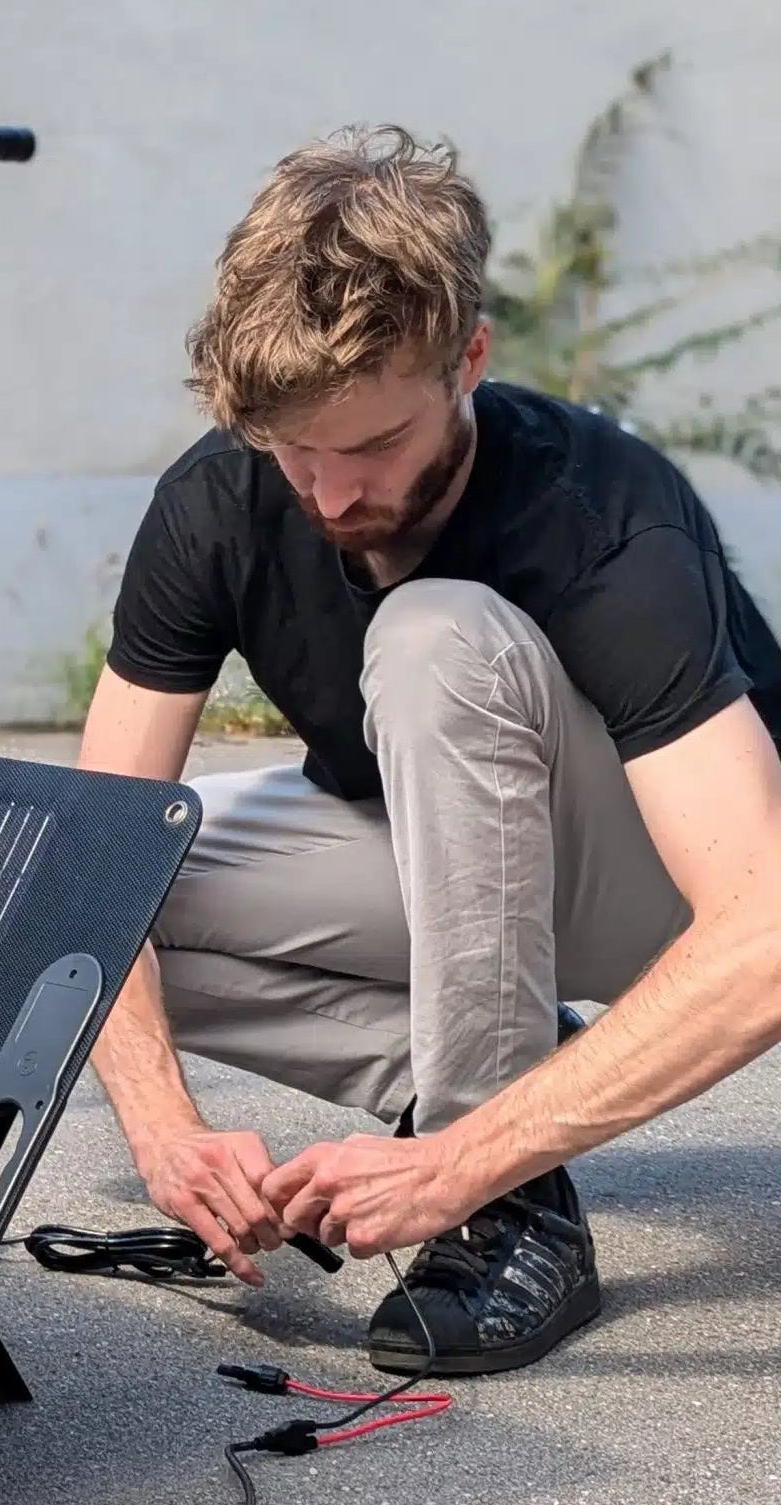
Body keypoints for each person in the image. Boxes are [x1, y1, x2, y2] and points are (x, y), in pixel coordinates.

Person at [81, 125, 781, 1375]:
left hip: (666, 897)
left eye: (369, 449)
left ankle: (502, 1203)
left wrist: (456, 1165)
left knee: (433, 634)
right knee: (37, 890)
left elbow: (763, 930)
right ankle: (515, 1072)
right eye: (294, 451)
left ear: (468, 358)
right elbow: (77, 861)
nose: (329, 495)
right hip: (450, 877)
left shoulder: (599, 519)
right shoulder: (216, 499)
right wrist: (162, 1129)